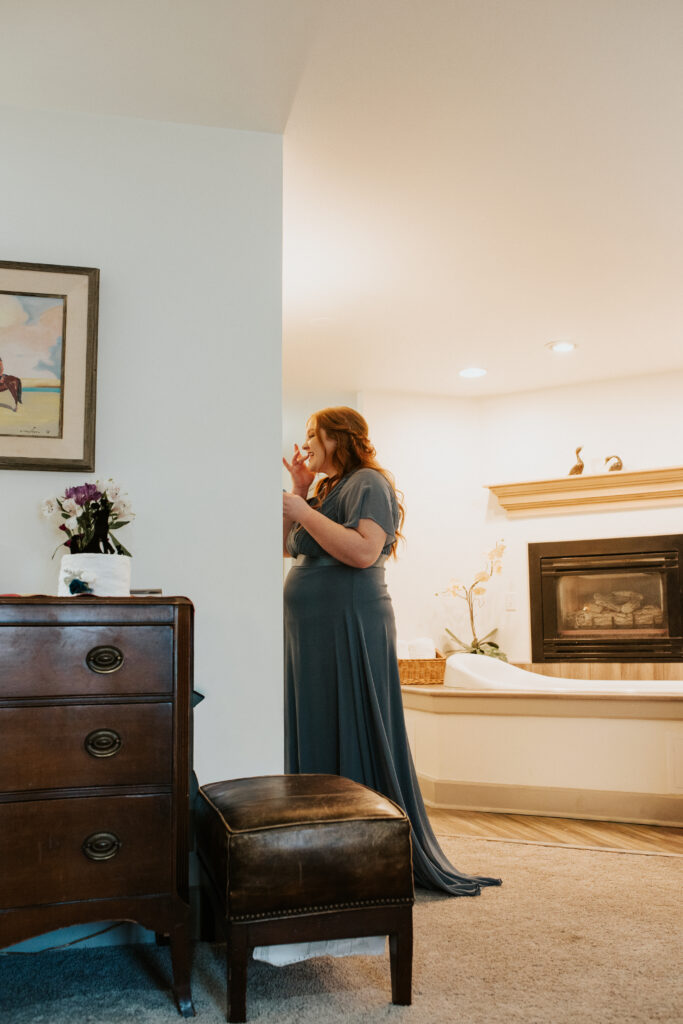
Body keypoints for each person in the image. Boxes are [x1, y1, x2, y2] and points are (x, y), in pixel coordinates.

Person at [282, 406, 501, 896]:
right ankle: (325, 846)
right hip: (312, 631)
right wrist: (299, 494)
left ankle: (365, 853)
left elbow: (363, 552)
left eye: (313, 435)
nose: (307, 444)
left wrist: (303, 512)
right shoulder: (323, 490)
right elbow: (288, 548)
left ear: (339, 438)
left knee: (355, 722)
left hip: (350, 624)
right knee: (317, 724)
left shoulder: (369, 483)